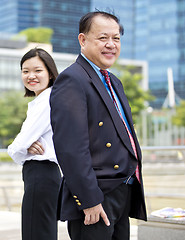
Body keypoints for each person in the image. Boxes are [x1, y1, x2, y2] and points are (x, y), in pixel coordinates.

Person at [50, 11, 147, 239]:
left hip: (122, 190)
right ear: (82, 40)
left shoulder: (113, 81)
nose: (111, 45)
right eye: (103, 38)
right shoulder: (72, 79)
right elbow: (71, 149)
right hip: (96, 198)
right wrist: (89, 200)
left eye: (116, 38)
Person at [7, 48, 62, 240]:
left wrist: (17, 149)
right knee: (42, 233)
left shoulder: (48, 100)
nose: (31, 76)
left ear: (50, 72)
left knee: (35, 234)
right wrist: (23, 147)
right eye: (25, 71)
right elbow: (24, 144)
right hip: (43, 176)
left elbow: (18, 145)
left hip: (41, 175)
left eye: (38, 70)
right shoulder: (43, 100)